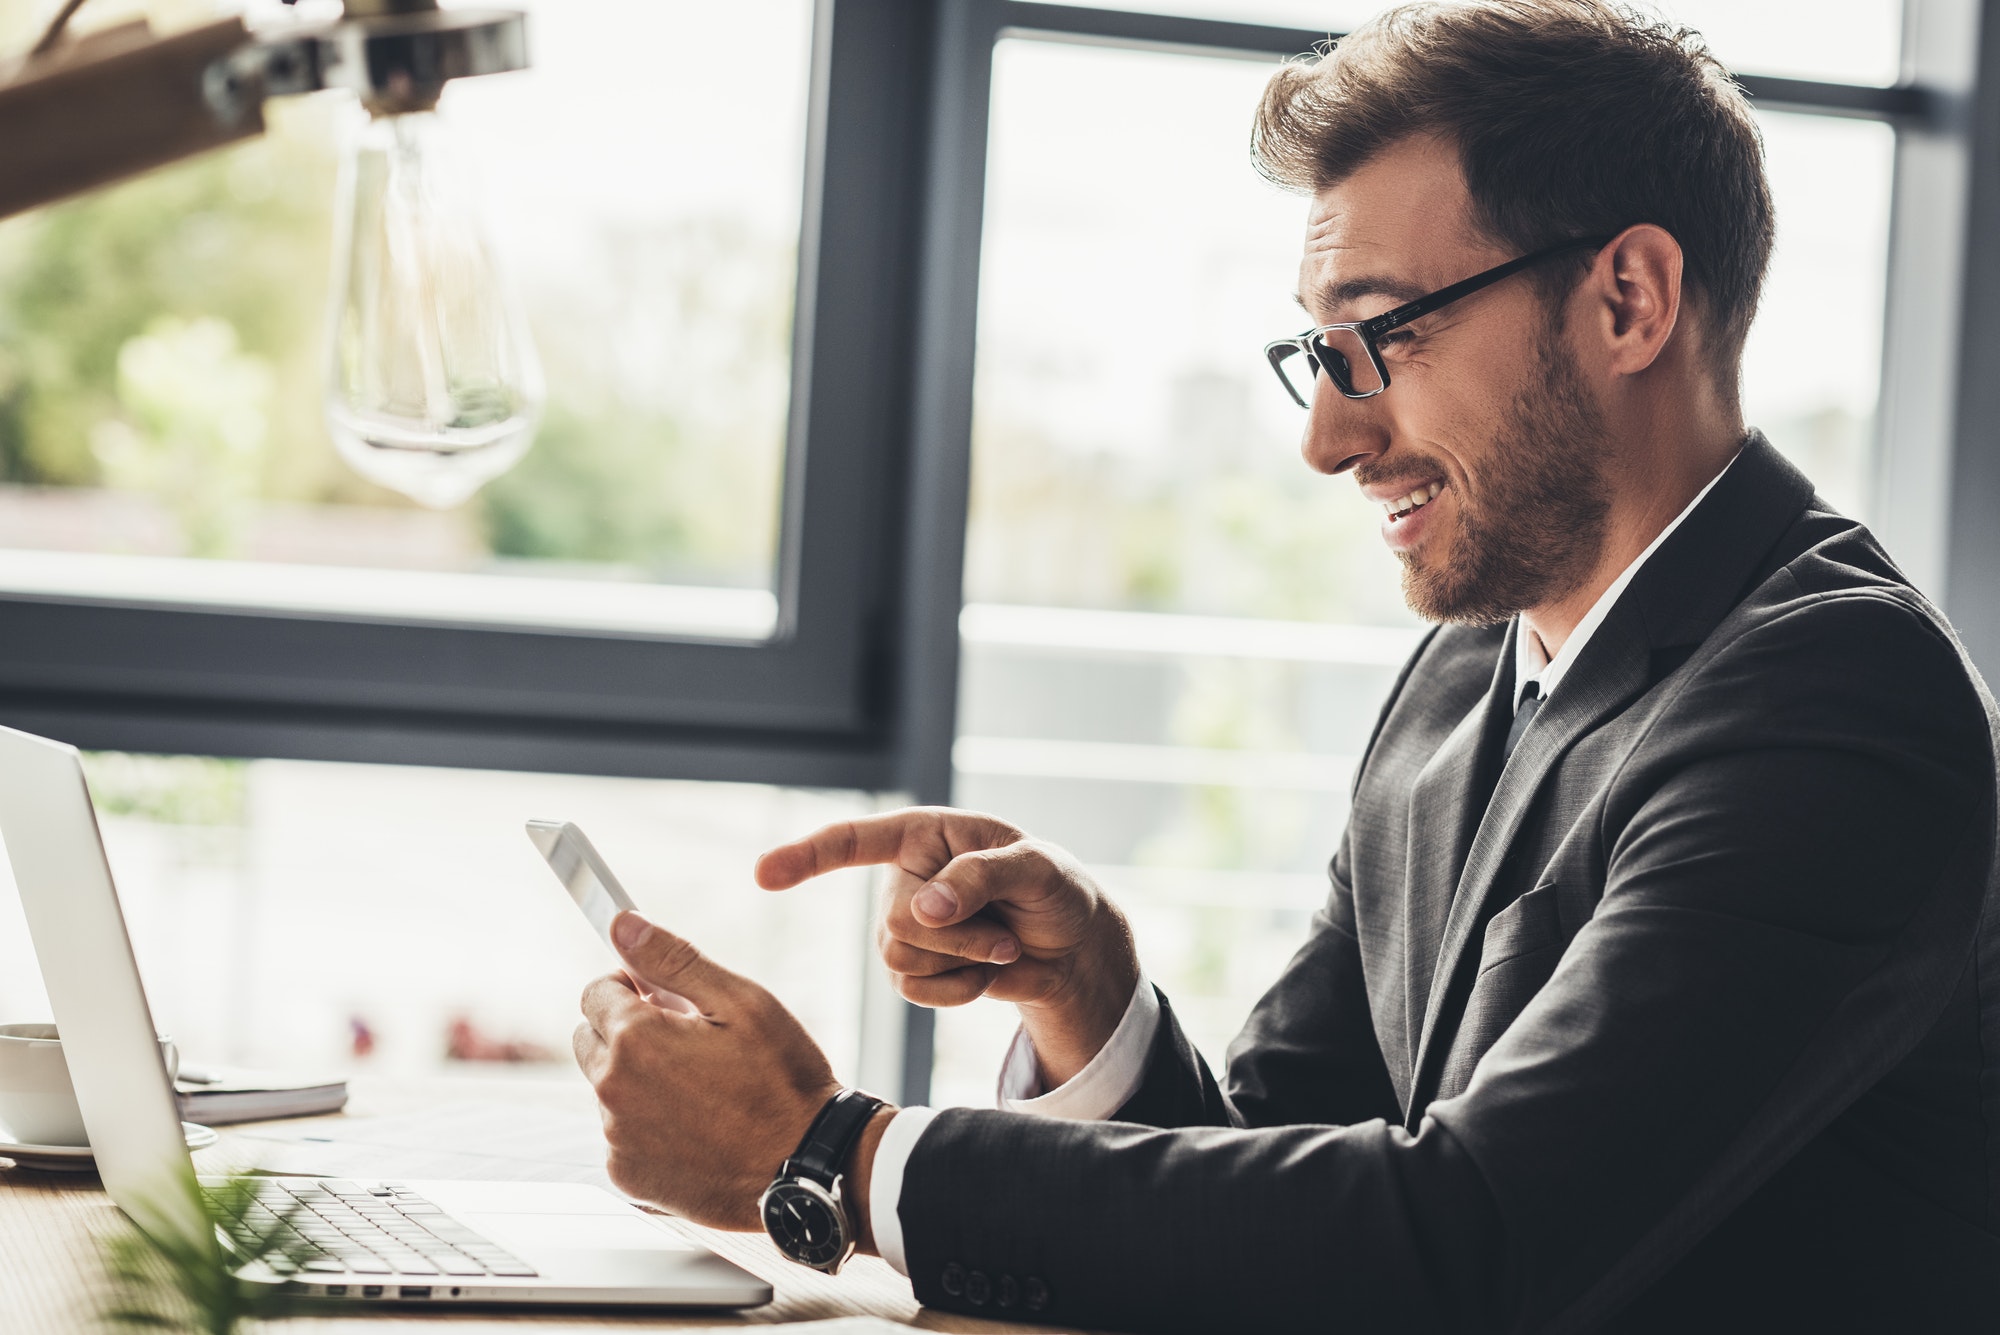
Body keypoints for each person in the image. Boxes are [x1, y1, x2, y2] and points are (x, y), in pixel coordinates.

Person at [571, 2, 2000, 1330]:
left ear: (1628, 299)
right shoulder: (1466, 678)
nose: (1329, 435)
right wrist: (1095, 1005)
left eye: (1381, 337)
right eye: (1314, 355)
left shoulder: (1840, 708)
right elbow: (1290, 1193)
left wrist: (832, 1156)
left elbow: (1468, 1241)